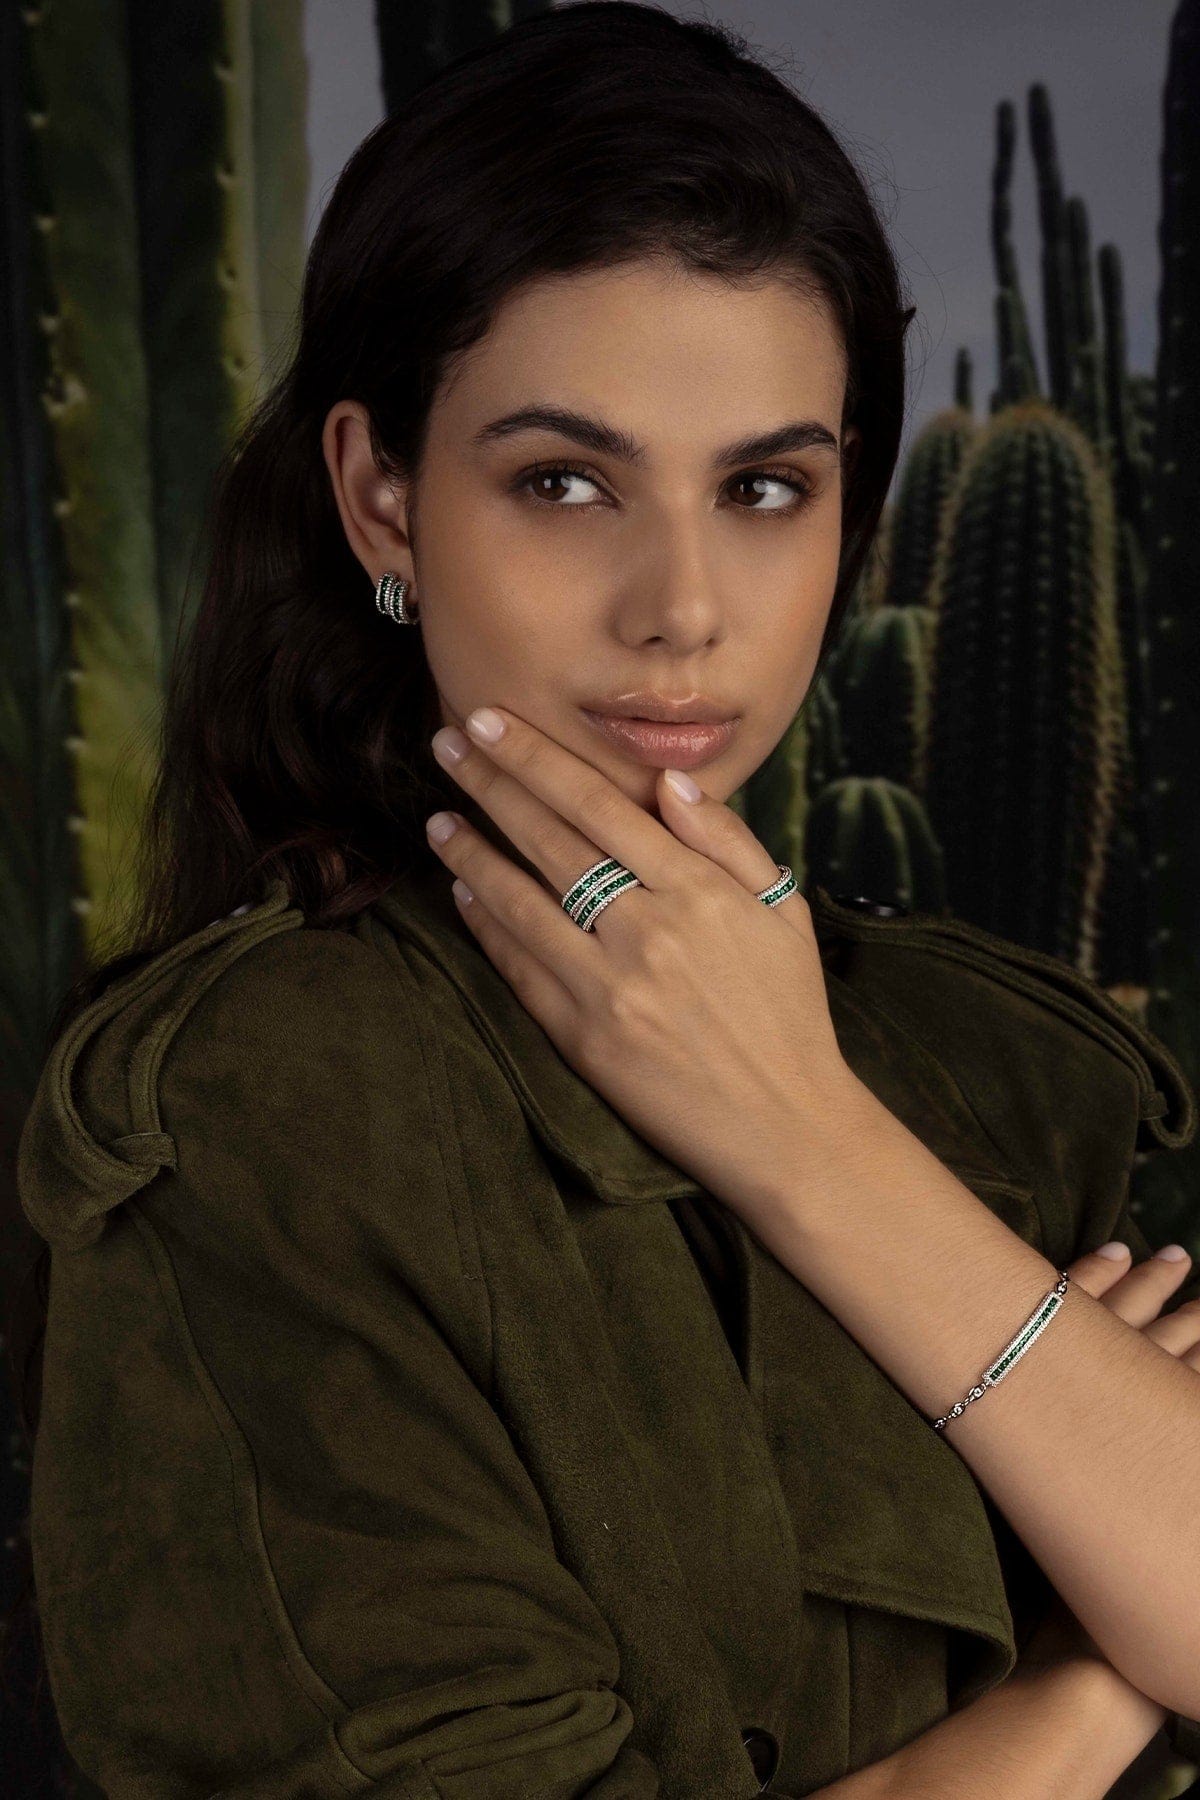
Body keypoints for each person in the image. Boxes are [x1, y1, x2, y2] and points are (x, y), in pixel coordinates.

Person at [9, 5, 1200, 1795]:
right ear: (381, 499)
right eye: (564, 482)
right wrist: (1104, 1678)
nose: (684, 608)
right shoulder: (260, 1119)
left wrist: (805, 1132)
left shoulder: (1009, 1068)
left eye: (766, 487)